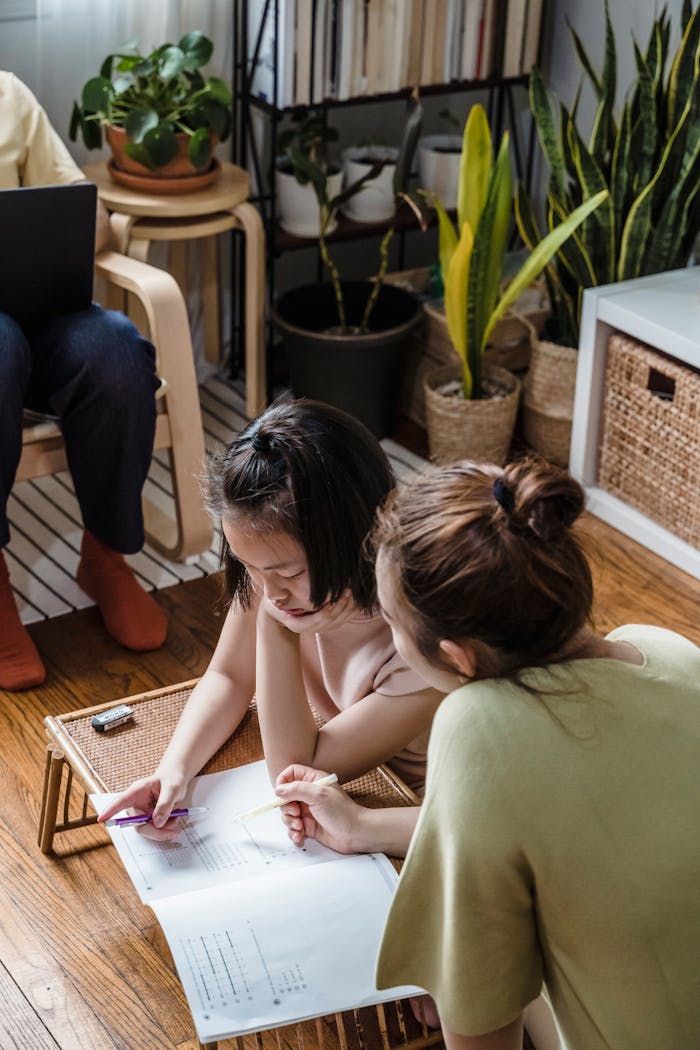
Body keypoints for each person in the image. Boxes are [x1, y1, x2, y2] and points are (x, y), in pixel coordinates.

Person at [275, 457, 700, 1050]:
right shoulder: (665, 650)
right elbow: (566, 822)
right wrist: (365, 826)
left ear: (458, 656)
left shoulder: (477, 726)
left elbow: (480, 1023)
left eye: (393, 623)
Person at [98, 399, 443, 835]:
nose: (269, 591)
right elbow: (228, 677)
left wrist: (274, 625)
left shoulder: (422, 633)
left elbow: (296, 771)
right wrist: (176, 770)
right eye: (249, 568)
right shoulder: (271, 568)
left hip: (417, 809)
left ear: (357, 536)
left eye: (290, 573)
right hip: (338, 771)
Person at [0, 71, 167, 691]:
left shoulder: (7, 94)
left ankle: (106, 557)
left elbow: (86, 209)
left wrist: (72, 230)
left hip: (39, 310)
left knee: (117, 349)